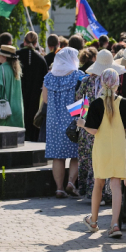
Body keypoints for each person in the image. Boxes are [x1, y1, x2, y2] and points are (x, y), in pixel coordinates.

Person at [78, 69, 126, 238]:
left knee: (98, 183)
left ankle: (93, 221)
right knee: (116, 185)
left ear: (102, 83)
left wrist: (82, 124)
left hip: (101, 148)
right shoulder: (124, 103)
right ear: (118, 84)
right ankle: (115, 225)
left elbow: (94, 130)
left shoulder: (96, 104)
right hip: (118, 148)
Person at [42, 48, 86, 198]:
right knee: (76, 154)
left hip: (54, 120)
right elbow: (83, 100)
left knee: (57, 157)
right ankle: (71, 183)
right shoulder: (78, 76)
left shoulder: (48, 77)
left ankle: (59, 188)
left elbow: (45, 100)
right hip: (73, 119)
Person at [18, 32, 48, 140]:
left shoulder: (17, 56)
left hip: (19, 94)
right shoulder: (41, 60)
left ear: (24, 42)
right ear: (36, 43)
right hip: (35, 96)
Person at [0, 45, 24, 128]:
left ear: (4, 56)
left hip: (3, 111)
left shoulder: (0, 69)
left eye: (0, 54)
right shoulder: (16, 70)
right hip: (17, 110)